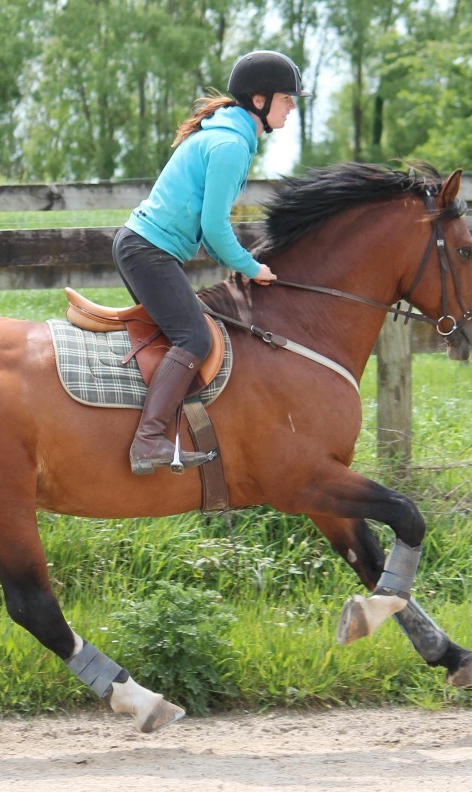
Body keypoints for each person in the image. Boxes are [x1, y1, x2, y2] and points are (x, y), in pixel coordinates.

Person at [114, 50, 311, 476]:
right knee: (195, 339)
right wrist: (250, 267)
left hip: (141, 247)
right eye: (287, 98)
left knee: (181, 332)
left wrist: (241, 260)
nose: (293, 105)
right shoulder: (230, 145)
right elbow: (215, 228)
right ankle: (148, 441)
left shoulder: (229, 138)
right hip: (149, 251)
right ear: (259, 99)